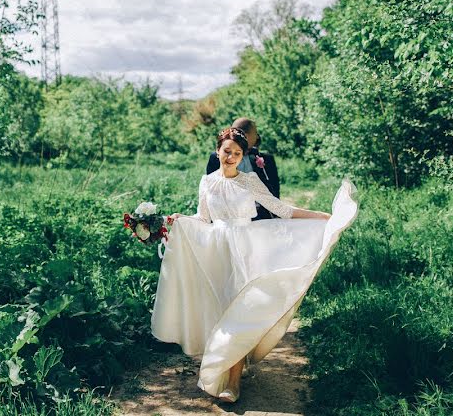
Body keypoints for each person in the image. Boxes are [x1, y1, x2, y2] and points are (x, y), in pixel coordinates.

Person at [151, 127, 358, 403]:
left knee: (240, 309)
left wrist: (321, 216)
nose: (231, 157)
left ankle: (233, 383)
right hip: (217, 250)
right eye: (227, 151)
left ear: (243, 156)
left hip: (246, 250)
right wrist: (180, 219)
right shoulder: (207, 182)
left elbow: (281, 208)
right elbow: (203, 218)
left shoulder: (249, 181)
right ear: (218, 151)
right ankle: (220, 367)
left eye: (237, 153)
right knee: (221, 310)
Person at [205, 117, 280, 220]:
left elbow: (274, 188)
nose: (258, 136)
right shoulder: (216, 158)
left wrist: (275, 213)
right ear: (246, 135)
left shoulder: (265, 159)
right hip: (228, 217)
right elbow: (212, 191)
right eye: (255, 133)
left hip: (261, 215)